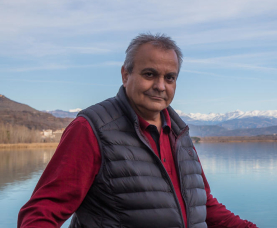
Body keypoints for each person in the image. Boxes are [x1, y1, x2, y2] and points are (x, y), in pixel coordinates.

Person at [18, 33, 258, 228]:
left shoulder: (179, 134)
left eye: (170, 77)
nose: (160, 86)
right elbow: (41, 212)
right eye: (149, 74)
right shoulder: (91, 129)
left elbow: (203, 206)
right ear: (125, 74)